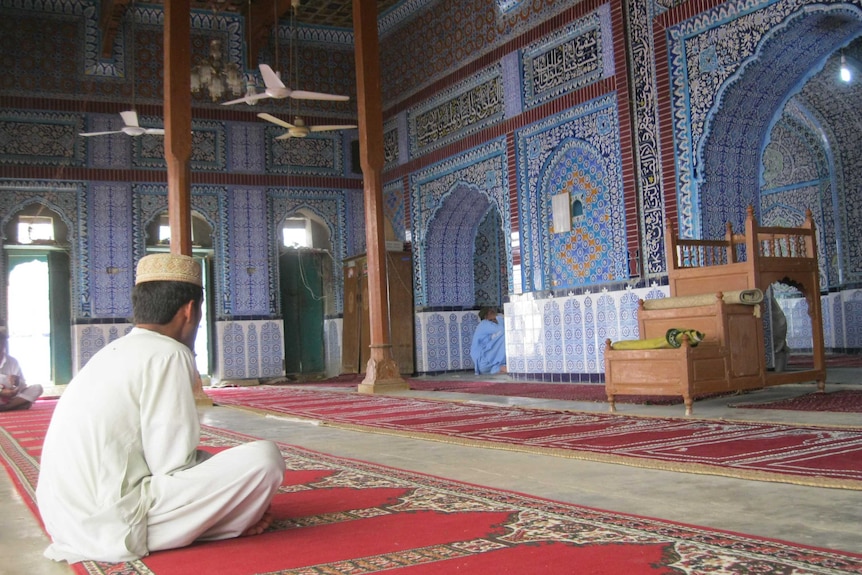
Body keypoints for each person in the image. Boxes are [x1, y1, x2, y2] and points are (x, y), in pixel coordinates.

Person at [36, 253, 286, 564]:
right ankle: (229, 524)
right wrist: (241, 495)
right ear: (190, 310)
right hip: (112, 523)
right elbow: (171, 465)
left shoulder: (112, 351)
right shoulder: (170, 353)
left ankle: (223, 520)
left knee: (231, 471)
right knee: (264, 458)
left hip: (66, 522)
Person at [0, 330, 42, 412]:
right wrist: (1, 392)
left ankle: (7, 407)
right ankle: (18, 406)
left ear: (4, 345)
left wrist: (16, 384)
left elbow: (22, 385)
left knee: (37, 388)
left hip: (10, 398)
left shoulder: (12, 361)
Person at [470, 306, 507, 375]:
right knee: (505, 336)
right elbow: (502, 330)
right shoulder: (483, 324)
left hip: (487, 366)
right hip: (484, 361)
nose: (495, 314)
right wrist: (499, 318)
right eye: (492, 312)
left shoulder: (493, 325)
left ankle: (501, 368)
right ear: (486, 316)